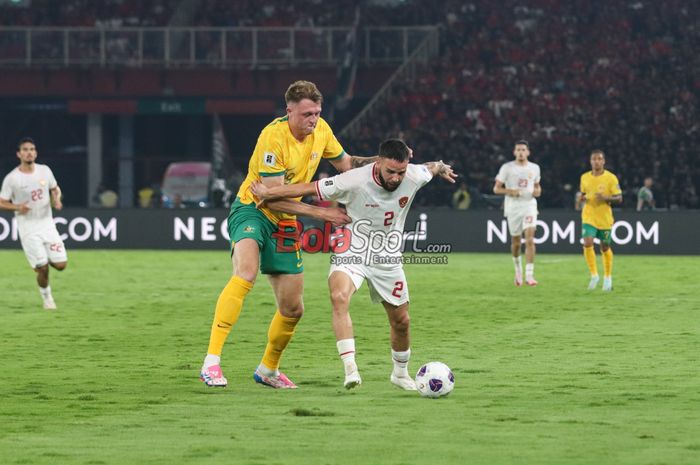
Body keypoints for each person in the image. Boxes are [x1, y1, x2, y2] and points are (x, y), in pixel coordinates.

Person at [200, 80, 378, 388]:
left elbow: (347, 164)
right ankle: (211, 362)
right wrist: (324, 214)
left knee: (293, 308)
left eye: (317, 113)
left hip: (285, 221)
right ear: (290, 111)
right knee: (245, 273)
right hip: (253, 210)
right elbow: (272, 196)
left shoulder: (321, 130)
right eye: (307, 114)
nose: (313, 120)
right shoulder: (274, 137)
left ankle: (268, 370)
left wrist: (382, 162)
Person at [251, 139, 457, 390]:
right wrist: (269, 192)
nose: (395, 178)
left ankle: (400, 374)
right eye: (390, 171)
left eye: (400, 172)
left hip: (387, 256)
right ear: (379, 163)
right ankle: (350, 370)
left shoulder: (414, 175)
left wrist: (442, 166)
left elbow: (431, 167)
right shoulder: (354, 180)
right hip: (352, 247)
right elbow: (308, 187)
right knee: (339, 297)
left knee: (401, 320)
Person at [0, 137, 67, 309]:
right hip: (28, 229)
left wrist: (56, 199)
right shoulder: (12, 178)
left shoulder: (45, 171)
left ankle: (43, 260)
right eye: (25, 149)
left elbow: (54, 187)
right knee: (43, 268)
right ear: (19, 154)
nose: (29, 152)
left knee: (60, 265)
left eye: (32, 149)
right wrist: (16, 207)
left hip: (47, 225)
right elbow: (1, 202)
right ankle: (47, 298)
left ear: (35, 153)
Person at [493, 140, 542, 286]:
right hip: (513, 207)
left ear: (528, 152)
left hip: (529, 205)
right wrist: (510, 191)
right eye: (518, 150)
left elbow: (538, 188)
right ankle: (518, 271)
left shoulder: (535, 168)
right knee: (515, 243)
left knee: (530, 239)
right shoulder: (507, 168)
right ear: (514, 152)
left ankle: (530, 275)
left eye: (523, 150)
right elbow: (496, 189)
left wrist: (537, 192)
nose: (521, 152)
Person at [575, 149, 622, 291]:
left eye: (599, 159)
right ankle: (594, 275)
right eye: (594, 159)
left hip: (605, 218)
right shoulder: (584, 177)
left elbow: (619, 198)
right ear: (590, 161)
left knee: (605, 247)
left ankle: (607, 277)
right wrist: (581, 198)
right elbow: (583, 193)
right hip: (589, 216)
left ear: (603, 161)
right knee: (587, 242)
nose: (596, 161)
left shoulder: (611, 178)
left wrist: (606, 198)